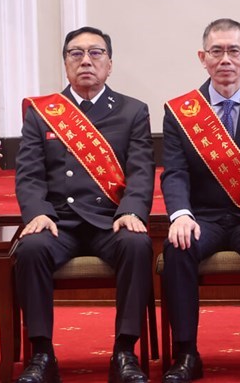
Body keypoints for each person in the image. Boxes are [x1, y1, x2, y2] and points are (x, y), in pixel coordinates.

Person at [14, 27, 155, 383]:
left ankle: (124, 352)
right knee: (30, 248)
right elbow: (29, 175)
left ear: (109, 63)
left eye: (95, 53)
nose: (86, 61)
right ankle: (42, 354)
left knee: (137, 244)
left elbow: (141, 171)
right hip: (59, 222)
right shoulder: (42, 113)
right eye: (76, 54)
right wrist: (39, 213)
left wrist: (131, 212)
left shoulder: (132, 111)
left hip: (110, 220)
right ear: (65, 64)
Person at [160, 18, 240, 383]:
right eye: (216, 51)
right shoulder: (180, 111)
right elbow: (174, 171)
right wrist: (180, 215)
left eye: (234, 51)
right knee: (177, 245)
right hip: (202, 217)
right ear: (202, 58)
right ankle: (186, 353)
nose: (225, 60)